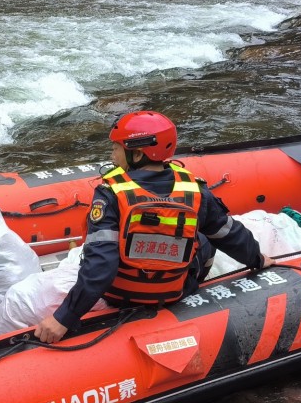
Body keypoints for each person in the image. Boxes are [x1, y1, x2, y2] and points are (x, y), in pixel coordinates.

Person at [35, 111, 273, 343]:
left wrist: (64, 318)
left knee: (103, 248)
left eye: (116, 148)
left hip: (119, 296)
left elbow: (101, 265)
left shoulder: (110, 194)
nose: (112, 155)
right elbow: (229, 234)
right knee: (204, 237)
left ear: (138, 154)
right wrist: (258, 259)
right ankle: (192, 281)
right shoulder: (195, 191)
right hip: (175, 292)